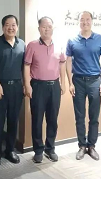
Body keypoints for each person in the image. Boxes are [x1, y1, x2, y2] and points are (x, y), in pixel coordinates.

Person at [65, 11, 101, 161]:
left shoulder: (100, 39)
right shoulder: (72, 40)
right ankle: (82, 146)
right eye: (82, 20)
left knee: (94, 116)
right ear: (79, 22)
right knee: (79, 116)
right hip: (78, 80)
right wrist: (70, 83)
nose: (85, 22)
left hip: (95, 80)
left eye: (87, 19)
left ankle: (91, 146)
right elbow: (68, 61)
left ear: (92, 21)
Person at [23, 17, 67, 164]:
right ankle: (38, 150)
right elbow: (26, 65)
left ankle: (50, 148)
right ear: (39, 29)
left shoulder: (59, 45)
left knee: (52, 119)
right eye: (43, 26)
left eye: (49, 26)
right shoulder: (32, 45)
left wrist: (63, 82)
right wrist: (27, 85)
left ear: (53, 28)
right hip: (38, 86)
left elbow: (62, 64)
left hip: (54, 86)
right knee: (37, 119)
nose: (46, 29)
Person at [0, 15, 26, 168]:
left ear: (17, 27)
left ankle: (10, 150)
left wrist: (25, 84)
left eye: (13, 25)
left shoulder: (22, 44)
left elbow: (24, 67)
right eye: (7, 25)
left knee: (13, 120)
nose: (11, 28)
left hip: (16, 88)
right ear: (3, 27)